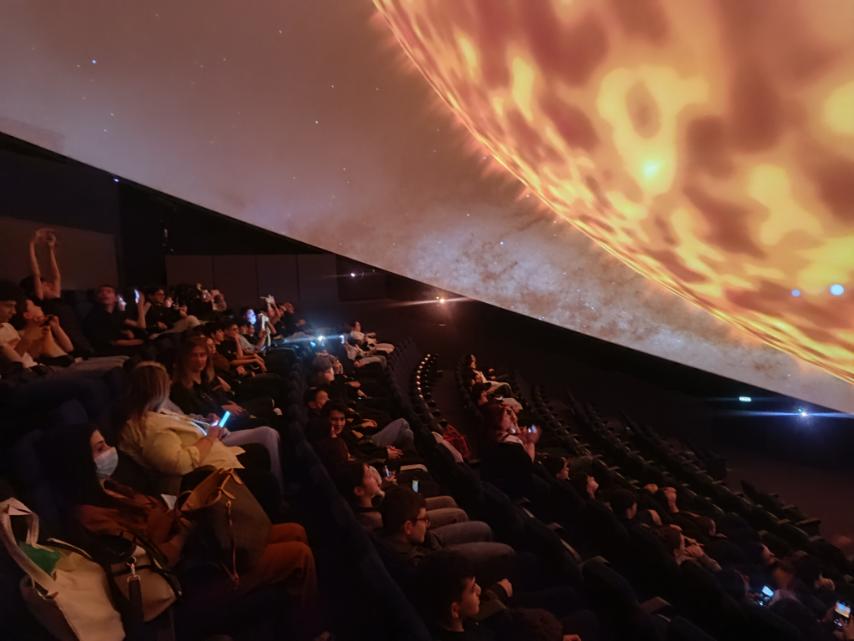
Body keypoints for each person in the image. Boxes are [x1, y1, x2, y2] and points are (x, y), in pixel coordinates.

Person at [41, 423, 322, 640]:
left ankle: (290, 615)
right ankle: (307, 631)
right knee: (299, 555)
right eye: (100, 448)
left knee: (295, 531)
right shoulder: (90, 517)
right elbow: (151, 564)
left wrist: (187, 509)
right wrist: (184, 530)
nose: (110, 451)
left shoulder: (112, 488)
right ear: (80, 462)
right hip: (182, 585)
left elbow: (157, 518)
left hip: (197, 554)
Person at [118, 361, 284, 515]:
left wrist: (205, 423)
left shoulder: (158, 412)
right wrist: (210, 437)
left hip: (213, 455)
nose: (169, 383)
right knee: (267, 482)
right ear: (159, 390)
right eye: (166, 381)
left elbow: (184, 424)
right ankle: (264, 523)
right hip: (206, 477)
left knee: (260, 452)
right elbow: (178, 463)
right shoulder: (149, 428)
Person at [416, 551, 588, 641]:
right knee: (586, 618)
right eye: (472, 589)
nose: (479, 590)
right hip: (511, 626)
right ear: (455, 609)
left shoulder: (452, 621)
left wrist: (496, 593)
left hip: (504, 620)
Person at [374, 486, 516, 593]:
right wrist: (497, 592)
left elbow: (430, 542)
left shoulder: (397, 538)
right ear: (408, 527)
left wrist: (427, 538)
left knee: (482, 528)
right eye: (424, 519)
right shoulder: (414, 565)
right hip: (442, 562)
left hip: (431, 547)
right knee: (505, 552)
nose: (428, 524)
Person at [334, 460, 470, 531]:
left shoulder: (371, 501)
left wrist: (382, 489)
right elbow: (407, 530)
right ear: (359, 491)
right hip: (417, 525)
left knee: (448, 500)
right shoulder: (374, 520)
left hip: (407, 509)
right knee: (459, 514)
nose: (375, 478)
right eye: (370, 476)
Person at [83, 285, 148, 355]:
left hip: (120, 346)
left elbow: (141, 325)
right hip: (106, 350)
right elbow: (110, 341)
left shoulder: (116, 314)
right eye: (100, 292)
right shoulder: (94, 316)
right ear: (97, 298)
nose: (104, 293)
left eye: (108, 291)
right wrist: (136, 342)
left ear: (116, 298)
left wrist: (140, 306)